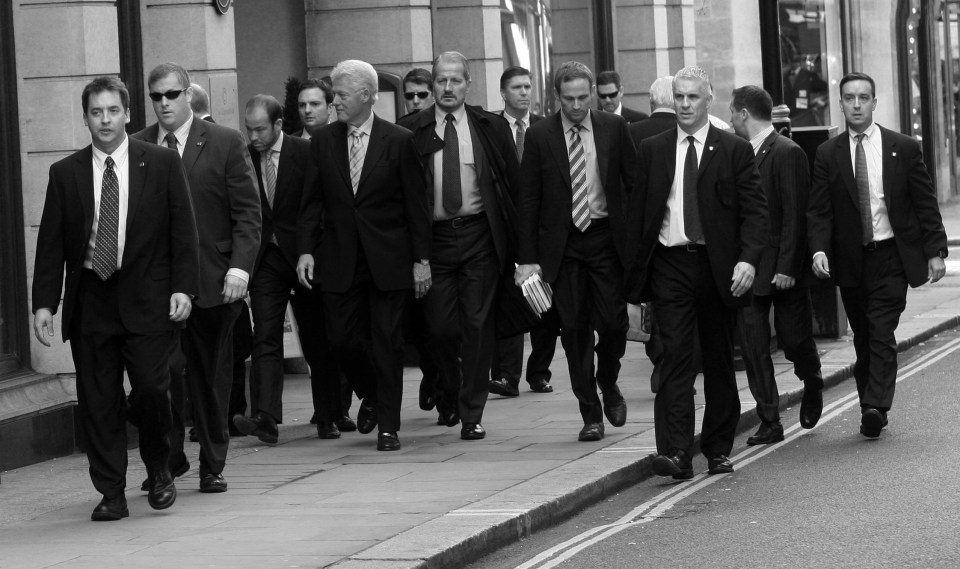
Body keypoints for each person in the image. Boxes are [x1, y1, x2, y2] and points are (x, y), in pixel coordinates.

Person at [32, 76, 199, 520]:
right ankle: (111, 492)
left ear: (127, 114)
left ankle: (161, 466)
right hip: (92, 302)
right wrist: (45, 303)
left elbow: (183, 230)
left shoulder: (160, 163)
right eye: (95, 112)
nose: (104, 120)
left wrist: (184, 286)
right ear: (86, 118)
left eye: (112, 111)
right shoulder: (65, 173)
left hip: (147, 299)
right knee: (99, 402)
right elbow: (51, 244)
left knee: (151, 390)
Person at [624, 66, 767, 477]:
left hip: (718, 267)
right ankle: (676, 452)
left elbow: (756, 213)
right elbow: (638, 219)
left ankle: (718, 448)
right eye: (679, 97)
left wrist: (748, 259)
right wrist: (633, 290)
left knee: (719, 360)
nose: (685, 104)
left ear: (709, 100)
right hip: (670, 265)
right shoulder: (652, 149)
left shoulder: (734, 150)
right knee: (673, 360)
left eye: (692, 97)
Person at [133, 62, 261, 493]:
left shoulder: (224, 142)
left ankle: (212, 462)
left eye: (172, 94)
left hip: (213, 281)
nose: (164, 103)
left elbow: (247, 212)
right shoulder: (137, 147)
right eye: (156, 96)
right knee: (160, 378)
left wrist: (240, 268)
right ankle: (169, 458)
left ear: (188, 94)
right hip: (158, 287)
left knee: (210, 378)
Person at [297, 59, 431, 452]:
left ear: (367, 96)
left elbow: (416, 206)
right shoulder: (323, 141)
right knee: (341, 340)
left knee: (387, 342)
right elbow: (311, 202)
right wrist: (305, 250)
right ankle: (371, 392)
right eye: (333, 93)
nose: (333, 101)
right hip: (339, 259)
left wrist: (421, 260)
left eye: (340, 94)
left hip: (388, 260)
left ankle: (388, 425)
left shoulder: (399, 140)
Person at [807, 72, 947, 438]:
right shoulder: (827, 153)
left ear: (874, 102)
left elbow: (924, 202)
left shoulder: (903, 146)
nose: (856, 104)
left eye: (863, 98)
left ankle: (875, 405)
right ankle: (871, 402)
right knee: (864, 335)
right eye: (849, 98)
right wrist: (819, 249)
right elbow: (819, 210)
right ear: (840, 103)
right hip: (851, 259)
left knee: (882, 330)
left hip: (891, 256)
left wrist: (935, 251)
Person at [398, 52, 521, 441]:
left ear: (469, 84)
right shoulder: (410, 131)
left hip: (479, 235)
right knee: (439, 328)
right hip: (431, 241)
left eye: (455, 81)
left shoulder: (490, 127)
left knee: (477, 324)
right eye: (440, 81)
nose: (447, 88)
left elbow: (514, 188)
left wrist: (524, 253)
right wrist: (416, 256)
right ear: (432, 86)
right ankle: (449, 388)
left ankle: (472, 412)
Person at [515, 61, 634, 442]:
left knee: (615, 324)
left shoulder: (614, 128)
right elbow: (528, 199)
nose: (577, 105)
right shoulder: (539, 135)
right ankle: (591, 412)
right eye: (569, 99)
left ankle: (608, 379)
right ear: (557, 97)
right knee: (575, 329)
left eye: (584, 97)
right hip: (563, 246)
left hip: (604, 239)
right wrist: (528, 258)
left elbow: (633, 184)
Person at [233, 94, 342, 442]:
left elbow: (322, 204)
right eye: (248, 129)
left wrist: (313, 252)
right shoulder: (244, 157)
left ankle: (328, 414)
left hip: (304, 258)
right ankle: (266, 416)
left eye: (260, 129)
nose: (253, 137)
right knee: (265, 334)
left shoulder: (305, 152)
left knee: (316, 337)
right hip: (265, 259)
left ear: (279, 125)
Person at [729, 85, 824, 445]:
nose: (732, 118)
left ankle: (812, 378)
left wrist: (786, 265)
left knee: (793, 339)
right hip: (749, 266)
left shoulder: (788, 152)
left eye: (732, 112)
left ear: (742, 113)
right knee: (753, 345)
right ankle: (769, 419)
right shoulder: (737, 153)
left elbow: (796, 214)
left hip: (784, 267)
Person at [488, 65, 552, 398]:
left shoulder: (544, 128)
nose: (524, 93)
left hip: (543, 226)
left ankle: (538, 372)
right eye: (516, 87)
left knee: (544, 301)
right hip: (504, 226)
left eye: (527, 87)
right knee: (511, 297)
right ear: (503, 93)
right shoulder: (492, 128)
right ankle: (507, 375)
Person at [628, 75, 680, 393]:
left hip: (647, 237)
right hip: (682, 235)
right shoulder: (693, 134)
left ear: (651, 103)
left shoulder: (631, 134)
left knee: (656, 302)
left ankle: (661, 358)